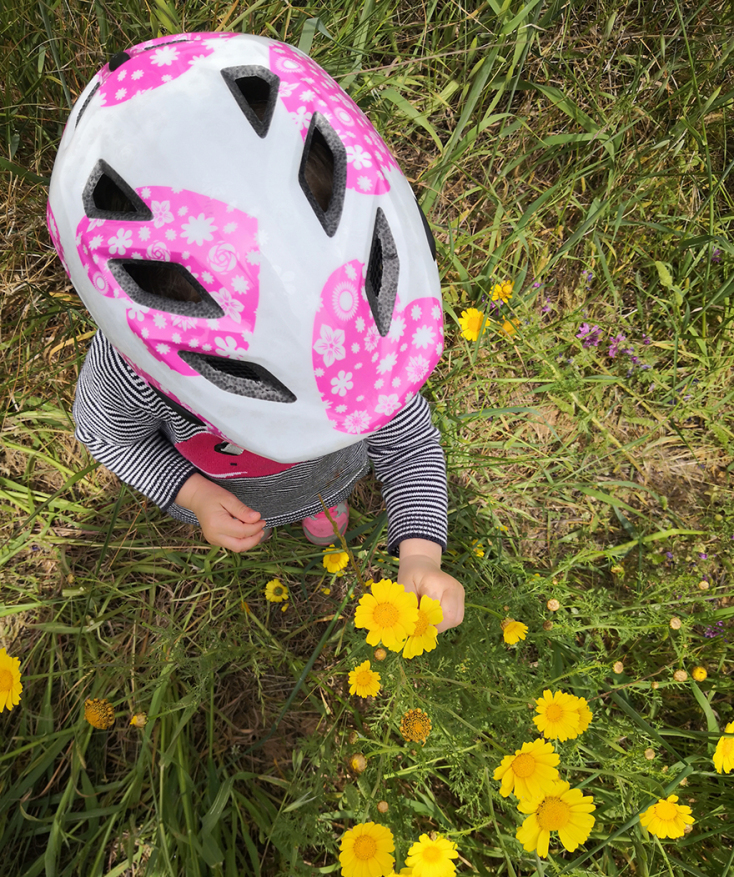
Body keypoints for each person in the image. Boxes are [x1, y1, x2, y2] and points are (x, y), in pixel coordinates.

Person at [48, 32, 464, 631]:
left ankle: (325, 506)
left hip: (328, 474)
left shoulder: (360, 348)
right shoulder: (131, 371)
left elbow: (408, 442)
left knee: (326, 502)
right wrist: (190, 493)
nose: (333, 377)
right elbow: (112, 439)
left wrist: (420, 552)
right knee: (302, 503)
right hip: (236, 496)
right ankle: (312, 508)